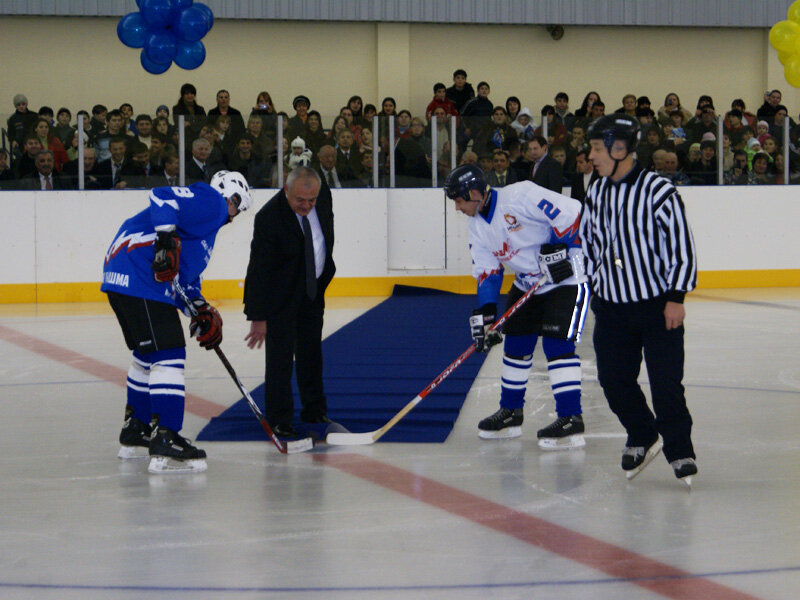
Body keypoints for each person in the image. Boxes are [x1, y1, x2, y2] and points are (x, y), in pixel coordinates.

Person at [102, 170, 252, 473]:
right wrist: (166, 238)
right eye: (238, 207)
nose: (234, 216)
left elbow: (184, 282)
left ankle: (137, 430)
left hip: (124, 277)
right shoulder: (212, 202)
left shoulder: (203, 232)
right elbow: (162, 194)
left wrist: (200, 311)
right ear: (233, 195)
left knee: (147, 355)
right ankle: (166, 436)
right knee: (169, 355)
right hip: (139, 276)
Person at [581, 115, 698, 484]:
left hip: (657, 307)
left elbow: (682, 246)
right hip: (612, 308)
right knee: (613, 382)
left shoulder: (658, 190)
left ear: (621, 149)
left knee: (666, 385)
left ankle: (680, 449)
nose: (591, 155)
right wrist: (590, 280)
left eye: (598, 149)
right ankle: (643, 433)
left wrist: (676, 297)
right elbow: (590, 242)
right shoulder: (595, 190)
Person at [443, 164, 589, 449]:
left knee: (557, 347)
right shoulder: (475, 225)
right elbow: (488, 272)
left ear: (474, 193)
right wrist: (486, 314)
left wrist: (558, 247)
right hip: (528, 282)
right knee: (515, 346)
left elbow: (572, 212)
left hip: (569, 277)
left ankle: (571, 419)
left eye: (459, 201)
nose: (458, 208)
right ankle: (511, 413)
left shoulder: (521, 195)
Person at [244, 167, 336, 436]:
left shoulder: (323, 198)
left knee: (311, 354)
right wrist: (258, 316)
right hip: (280, 297)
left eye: (312, 200)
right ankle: (280, 419)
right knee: (280, 359)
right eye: (300, 200)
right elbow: (258, 269)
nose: (307, 205)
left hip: (312, 290)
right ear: (286, 190)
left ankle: (315, 410)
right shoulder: (269, 218)